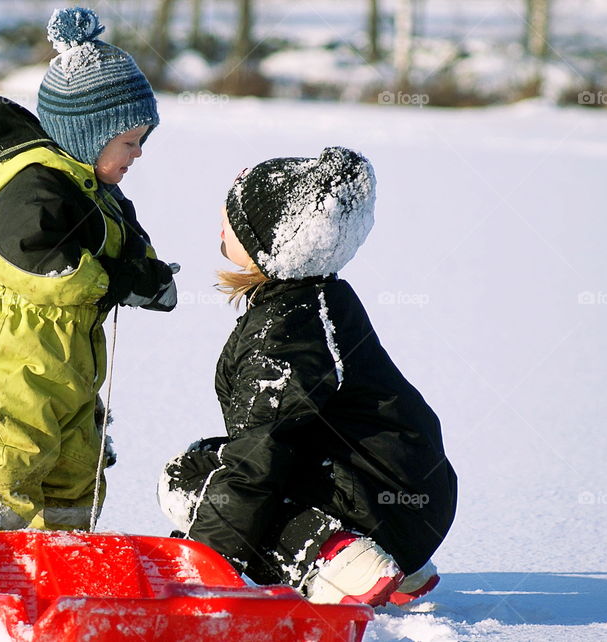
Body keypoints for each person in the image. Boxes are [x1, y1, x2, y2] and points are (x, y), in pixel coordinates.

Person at [0, 7, 177, 581]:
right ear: (87, 134)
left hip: (70, 354)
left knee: (77, 464)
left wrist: (146, 275)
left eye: (142, 140)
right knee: (6, 459)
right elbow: (44, 262)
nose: (137, 153)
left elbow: (118, 241)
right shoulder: (31, 182)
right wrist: (113, 282)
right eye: (130, 140)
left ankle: (58, 560)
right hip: (13, 347)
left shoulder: (89, 182)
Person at [158, 147, 457, 606]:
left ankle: (342, 561)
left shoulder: (281, 333)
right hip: (412, 496)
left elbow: (259, 455)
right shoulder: (323, 297)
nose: (221, 224)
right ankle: (405, 566)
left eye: (232, 218)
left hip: (382, 503)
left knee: (188, 477)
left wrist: (204, 563)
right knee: (216, 461)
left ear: (269, 243)